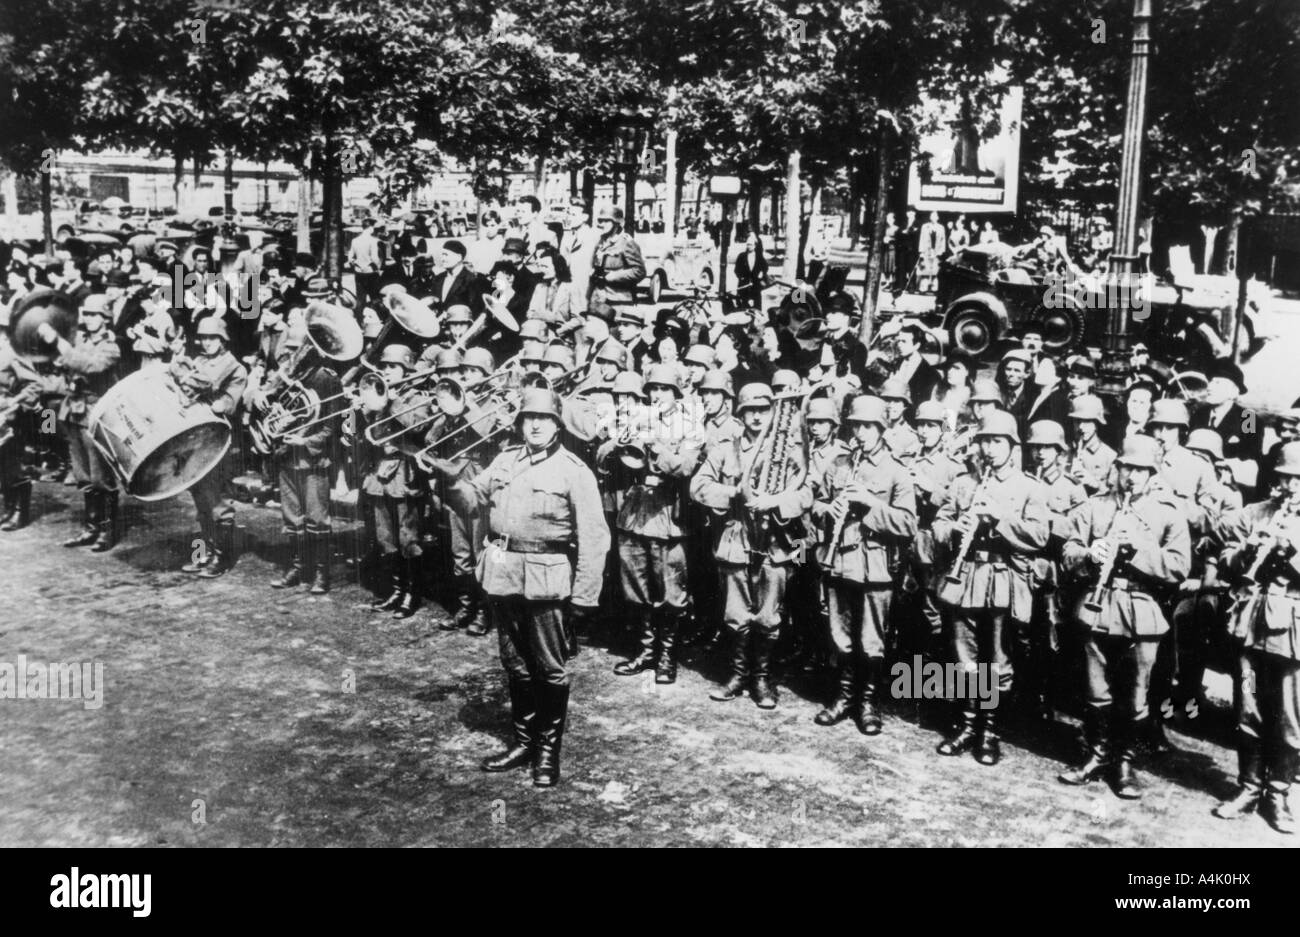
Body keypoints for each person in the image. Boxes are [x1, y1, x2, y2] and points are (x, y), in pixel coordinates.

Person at [432, 388, 610, 788]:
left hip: (548, 580)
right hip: (504, 573)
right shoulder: (504, 460)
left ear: (557, 425)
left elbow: (595, 537)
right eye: (528, 417)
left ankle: (548, 752)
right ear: (519, 423)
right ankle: (524, 741)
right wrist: (448, 481)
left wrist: (583, 595)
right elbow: (472, 502)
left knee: (549, 668)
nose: (534, 424)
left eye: (543, 419)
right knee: (514, 663)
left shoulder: (573, 470)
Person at [1059, 435, 1191, 799]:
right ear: (1116, 468)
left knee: (1135, 694)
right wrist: (1089, 553)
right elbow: (1067, 551)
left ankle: (1123, 763)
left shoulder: (1168, 513)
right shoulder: (1094, 507)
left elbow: (1179, 566)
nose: (1131, 476)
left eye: (1140, 470)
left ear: (1152, 473)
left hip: (1141, 609)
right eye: (1126, 467)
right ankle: (1096, 755)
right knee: (1095, 687)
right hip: (1097, 607)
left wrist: (1137, 553)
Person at [933, 410, 1049, 765]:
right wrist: (954, 528)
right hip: (966, 575)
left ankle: (989, 731)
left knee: (996, 660)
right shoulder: (963, 482)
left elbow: (1040, 536)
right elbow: (938, 523)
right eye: (985, 440)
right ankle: (968, 725)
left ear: (1012, 446)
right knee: (964, 656)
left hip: (1002, 578)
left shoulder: (1030, 487)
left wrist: (1000, 519)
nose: (990, 448)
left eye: (997, 441)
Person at [691, 383, 810, 709]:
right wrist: (733, 494)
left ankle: (761, 679)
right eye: (750, 411)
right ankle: (737, 675)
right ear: (741, 414)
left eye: (763, 410)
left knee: (769, 616)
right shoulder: (726, 449)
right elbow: (697, 486)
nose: (756, 417)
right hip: (737, 539)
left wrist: (775, 501)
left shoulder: (786, 451)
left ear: (772, 412)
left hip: (775, 542)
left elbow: (807, 491)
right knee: (736, 614)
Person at [810, 395, 917, 734]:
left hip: (875, 567)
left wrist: (870, 504)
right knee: (840, 636)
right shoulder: (840, 463)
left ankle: (868, 703)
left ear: (881, 429)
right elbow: (818, 504)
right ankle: (843, 697)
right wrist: (828, 510)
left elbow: (908, 524)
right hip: (840, 560)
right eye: (856, 425)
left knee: (872, 642)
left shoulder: (897, 471)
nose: (861, 432)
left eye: (868, 426)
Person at [1212, 441, 1300, 833]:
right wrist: (1246, 553)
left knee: (1289, 716)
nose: (1291, 487)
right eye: (1284, 478)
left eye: (1298, 480)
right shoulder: (1256, 513)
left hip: (1294, 630)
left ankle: (1278, 793)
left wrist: (1293, 552)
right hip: (1252, 625)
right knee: (1248, 707)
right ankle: (1248, 786)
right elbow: (1224, 558)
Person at [606, 364, 704, 684]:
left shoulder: (690, 424)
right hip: (635, 513)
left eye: (664, 389)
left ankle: (666, 656)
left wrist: (656, 446)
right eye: (653, 389)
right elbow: (608, 458)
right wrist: (619, 440)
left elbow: (685, 467)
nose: (657, 394)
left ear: (676, 393)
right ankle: (646, 652)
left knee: (670, 591)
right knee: (637, 587)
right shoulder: (638, 415)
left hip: (668, 516)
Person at [35, 291, 121, 551]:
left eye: (96, 314)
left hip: (95, 413)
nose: (91, 319)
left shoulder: (111, 345)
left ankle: (107, 530)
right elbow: (66, 362)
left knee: (100, 475)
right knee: (83, 474)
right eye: (89, 314)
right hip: (73, 409)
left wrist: (59, 343)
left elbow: (89, 366)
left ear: (105, 317)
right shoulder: (81, 340)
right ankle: (91, 527)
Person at [261, 328, 344, 594]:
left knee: (317, 518)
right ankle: (298, 567)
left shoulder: (327, 378)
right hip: (286, 457)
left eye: (301, 347)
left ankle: (321, 573)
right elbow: (272, 403)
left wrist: (306, 442)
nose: (296, 354)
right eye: (294, 348)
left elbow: (333, 427)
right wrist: (268, 404)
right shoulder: (287, 376)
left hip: (313, 461)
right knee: (291, 517)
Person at [172, 316, 249, 577]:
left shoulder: (233, 367)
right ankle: (201, 553)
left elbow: (218, 393)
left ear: (222, 339)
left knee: (218, 500)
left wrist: (185, 374)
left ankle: (221, 557)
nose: (207, 343)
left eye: (212, 338)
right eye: (203, 338)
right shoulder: (201, 362)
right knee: (199, 500)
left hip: (219, 439)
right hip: (196, 436)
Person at [589, 207, 645, 314]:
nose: (602, 224)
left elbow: (640, 271)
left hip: (619, 301)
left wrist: (614, 276)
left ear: (616, 223)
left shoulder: (626, 243)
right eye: (601, 221)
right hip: (599, 299)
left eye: (607, 221)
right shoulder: (601, 242)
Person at [890, 324, 941, 408]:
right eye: (899, 341)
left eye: (904, 341)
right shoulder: (896, 363)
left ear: (917, 345)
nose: (899, 345)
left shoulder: (930, 374)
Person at [347, 219, 383, 314]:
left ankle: (360, 320)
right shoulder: (373, 241)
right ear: (371, 228)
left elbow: (350, 258)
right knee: (375, 298)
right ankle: (378, 318)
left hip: (359, 272)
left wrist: (356, 264)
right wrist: (378, 268)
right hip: (370, 272)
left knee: (360, 298)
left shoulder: (355, 240)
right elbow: (374, 258)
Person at [734, 233, 768, 309]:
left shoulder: (759, 257)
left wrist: (762, 273)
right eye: (747, 244)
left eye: (751, 245)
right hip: (744, 285)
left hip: (755, 285)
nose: (749, 246)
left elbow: (765, 267)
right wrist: (741, 277)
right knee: (743, 306)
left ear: (755, 246)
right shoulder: (741, 256)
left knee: (756, 306)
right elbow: (736, 269)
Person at [917, 212, 946, 293]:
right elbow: (921, 239)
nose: (933, 218)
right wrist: (921, 251)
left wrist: (941, 251)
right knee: (926, 269)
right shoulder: (925, 226)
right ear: (930, 217)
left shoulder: (941, 227)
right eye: (932, 216)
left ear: (938, 218)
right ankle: (924, 287)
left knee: (935, 269)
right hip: (927, 250)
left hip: (937, 251)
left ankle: (934, 287)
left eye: (935, 216)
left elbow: (943, 240)